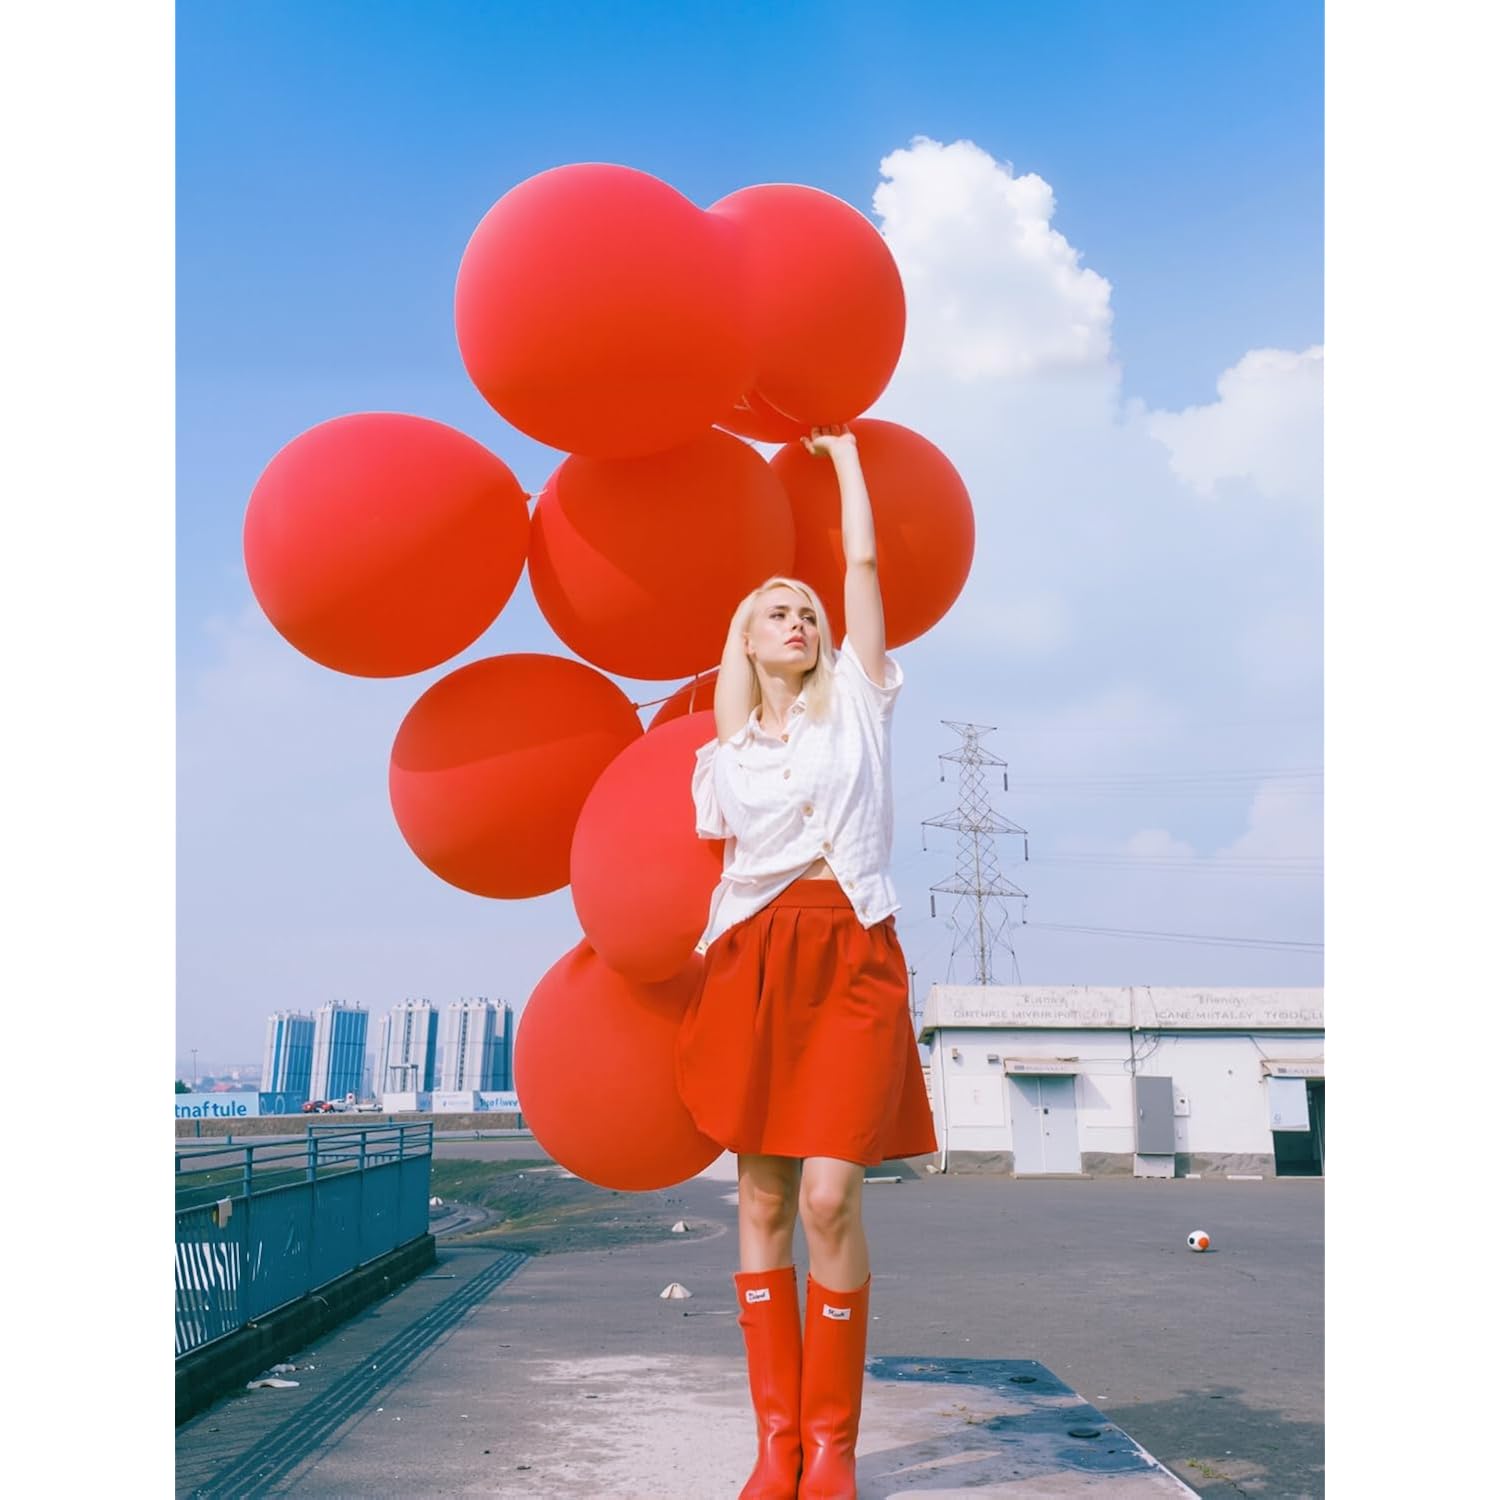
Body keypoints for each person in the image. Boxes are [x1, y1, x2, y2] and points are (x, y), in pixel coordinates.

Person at [675, 425, 937, 1500]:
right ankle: (774, 1441)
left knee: (832, 1195)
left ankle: (832, 1443)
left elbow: (864, 570)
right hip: (754, 962)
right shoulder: (729, 744)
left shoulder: (863, 705)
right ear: (745, 642)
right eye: (777, 611)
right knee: (765, 1199)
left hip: (852, 954)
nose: (801, 619)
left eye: (810, 612)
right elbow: (736, 678)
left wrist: (842, 460)